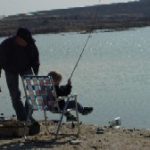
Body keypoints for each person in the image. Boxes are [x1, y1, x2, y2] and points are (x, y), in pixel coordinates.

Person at [0, 27, 40, 134]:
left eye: (28, 40)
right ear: (18, 38)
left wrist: (34, 76)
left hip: (26, 67)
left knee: (31, 93)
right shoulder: (5, 46)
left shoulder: (30, 44)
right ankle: (22, 118)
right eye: (25, 41)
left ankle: (27, 116)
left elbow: (36, 61)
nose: (27, 43)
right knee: (15, 95)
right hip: (10, 70)